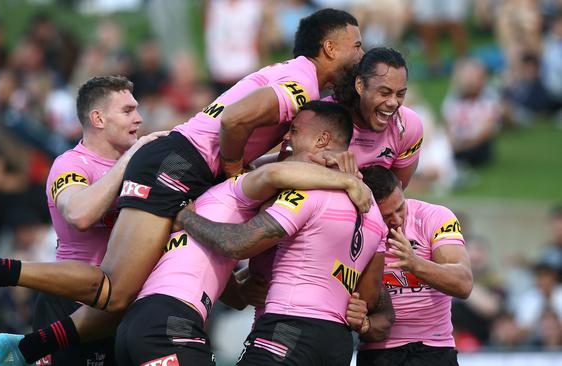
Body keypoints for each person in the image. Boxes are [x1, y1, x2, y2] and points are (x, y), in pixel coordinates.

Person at [0, 9, 366, 364]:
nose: (360, 52)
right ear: (329, 47)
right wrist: (237, 168)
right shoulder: (303, 81)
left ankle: (28, 345)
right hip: (178, 166)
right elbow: (235, 122)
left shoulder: (296, 81)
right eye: (357, 44)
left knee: (119, 297)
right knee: (114, 290)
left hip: (180, 167)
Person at [0, 76, 165, 365]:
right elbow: (80, 214)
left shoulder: (144, 164)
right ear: (98, 118)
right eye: (127, 111)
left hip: (119, 309)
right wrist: (127, 162)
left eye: (136, 109)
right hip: (69, 304)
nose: (138, 118)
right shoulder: (71, 163)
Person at [115, 101, 371, 365]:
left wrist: (244, 289)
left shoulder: (217, 214)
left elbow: (231, 293)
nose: (285, 137)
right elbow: (273, 174)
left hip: (144, 322)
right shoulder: (239, 188)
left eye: (293, 131)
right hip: (169, 322)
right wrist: (347, 180)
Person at [351, 166, 473, 366]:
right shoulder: (355, 227)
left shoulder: (436, 217)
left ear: (401, 187)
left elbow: (464, 284)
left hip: (435, 348)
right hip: (378, 350)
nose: (397, 220)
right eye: (386, 216)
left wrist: (415, 264)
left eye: (400, 208)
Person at [332, 47, 424, 189]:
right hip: (328, 203)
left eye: (400, 94)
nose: (393, 102)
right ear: (360, 85)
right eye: (384, 93)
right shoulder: (324, 118)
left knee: (441, 212)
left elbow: (393, 196)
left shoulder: (409, 126)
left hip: (378, 207)